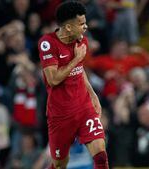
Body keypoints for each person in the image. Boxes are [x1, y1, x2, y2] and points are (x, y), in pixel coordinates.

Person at [38, 1, 108, 169]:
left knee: (100, 154)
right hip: (60, 115)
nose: (86, 27)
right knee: (60, 164)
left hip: (84, 108)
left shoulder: (81, 42)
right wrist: (76, 58)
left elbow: (80, 69)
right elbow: (53, 79)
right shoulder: (47, 43)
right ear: (68, 27)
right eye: (81, 24)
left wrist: (92, 94)